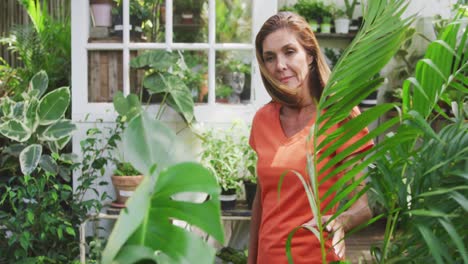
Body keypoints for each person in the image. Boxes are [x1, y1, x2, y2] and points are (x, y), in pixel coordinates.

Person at [247, 12, 374, 264]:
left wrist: (340, 222)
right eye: (269, 57)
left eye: (289, 51)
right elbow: (262, 203)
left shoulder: (339, 115)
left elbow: (363, 208)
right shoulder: (263, 119)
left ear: (310, 54)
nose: (279, 65)